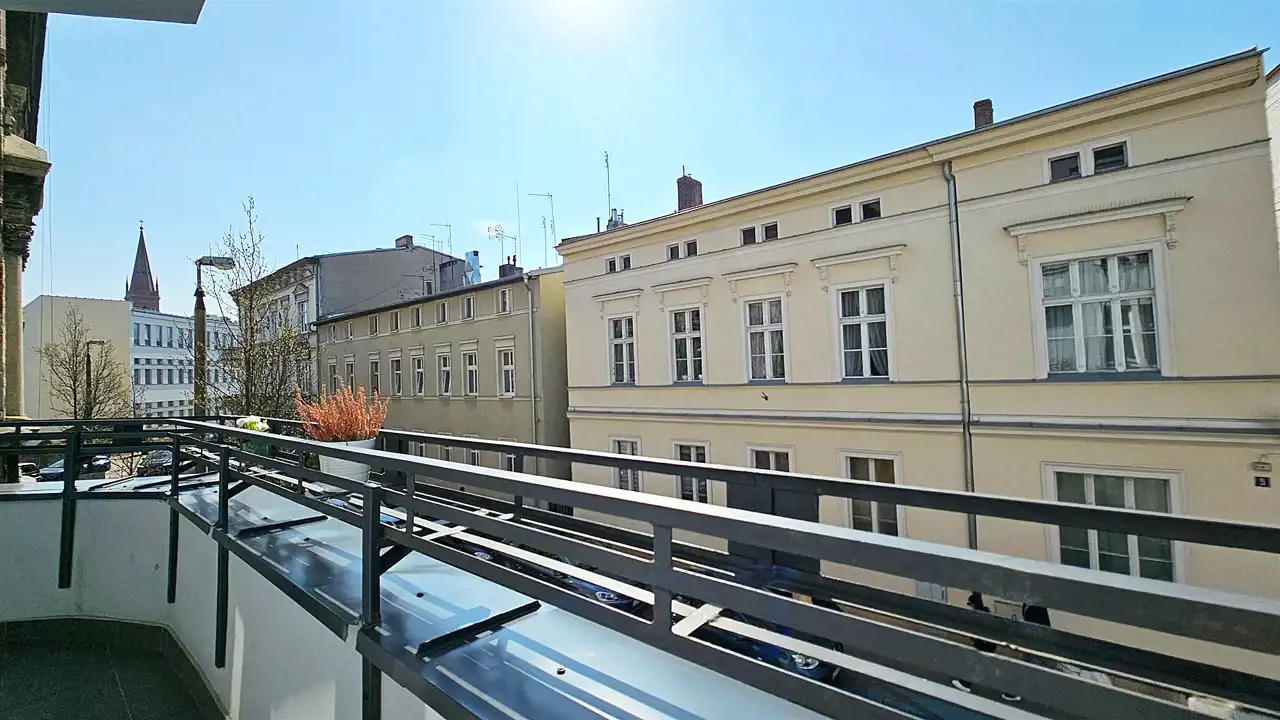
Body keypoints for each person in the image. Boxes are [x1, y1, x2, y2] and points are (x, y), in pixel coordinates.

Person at [952, 592, 1021, 702]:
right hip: (988, 645)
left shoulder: (978, 615)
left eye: (970, 604)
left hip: (985, 646)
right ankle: (965, 683)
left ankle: (965, 683)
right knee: (985, 667)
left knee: (986, 667)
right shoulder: (986, 612)